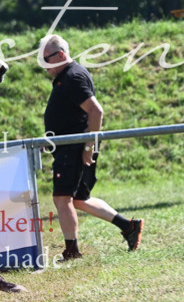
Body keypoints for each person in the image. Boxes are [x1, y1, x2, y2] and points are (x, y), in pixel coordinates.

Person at [40, 34, 143, 260]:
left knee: (61, 198)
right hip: (71, 146)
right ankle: (128, 226)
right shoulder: (69, 75)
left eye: (47, 60)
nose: (45, 66)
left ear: (61, 55)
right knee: (79, 199)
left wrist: (89, 146)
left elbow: (96, 112)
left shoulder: (72, 77)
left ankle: (72, 250)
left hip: (74, 148)